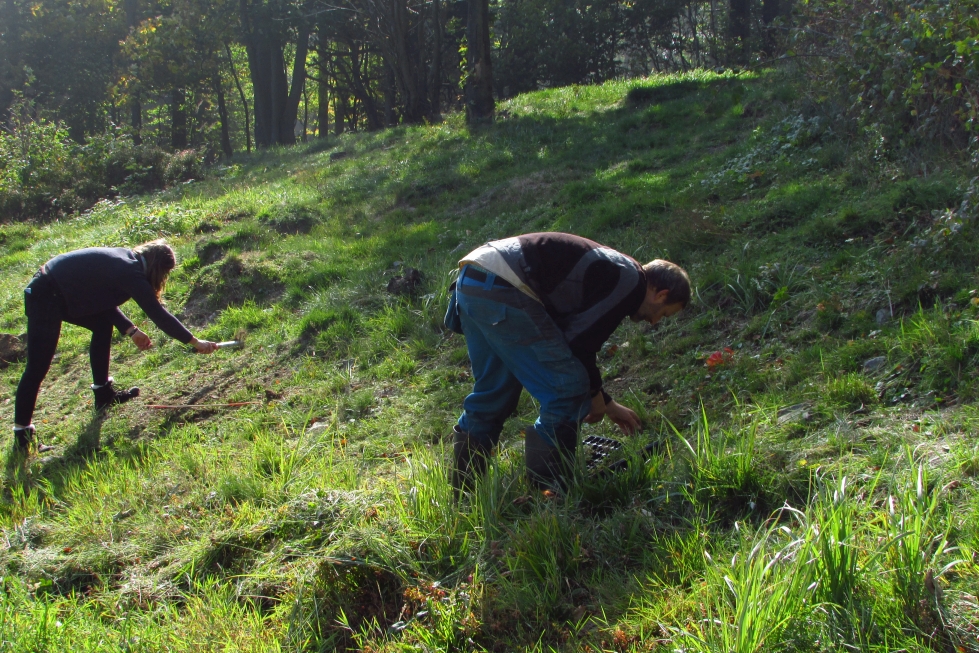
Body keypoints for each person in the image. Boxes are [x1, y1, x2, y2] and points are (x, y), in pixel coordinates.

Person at [446, 232, 689, 493]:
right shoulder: (630, 282)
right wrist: (597, 397)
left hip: (473, 279)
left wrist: (604, 401)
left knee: (493, 393)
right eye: (663, 314)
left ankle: (464, 493)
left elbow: (565, 338)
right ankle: (548, 498)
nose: (654, 322)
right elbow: (579, 343)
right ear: (661, 294)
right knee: (567, 389)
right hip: (505, 285)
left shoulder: (616, 271)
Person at [11, 239, 219, 450]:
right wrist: (194, 342)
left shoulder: (125, 260)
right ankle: (22, 436)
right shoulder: (130, 271)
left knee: (102, 325)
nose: (163, 280)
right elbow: (159, 315)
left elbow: (101, 302)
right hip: (45, 295)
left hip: (57, 290)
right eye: (165, 274)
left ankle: (103, 394)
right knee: (37, 367)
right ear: (157, 268)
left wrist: (131, 330)